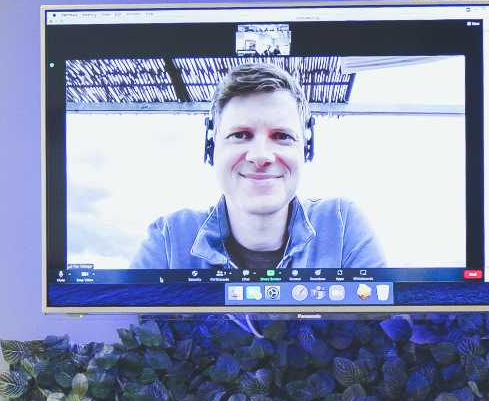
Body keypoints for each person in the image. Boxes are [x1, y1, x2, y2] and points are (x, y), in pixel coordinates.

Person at [130, 63, 388, 271]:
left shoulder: (342, 224)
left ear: (306, 149)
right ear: (211, 148)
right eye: (241, 135)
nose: (261, 156)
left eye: (282, 136)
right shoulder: (168, 239)